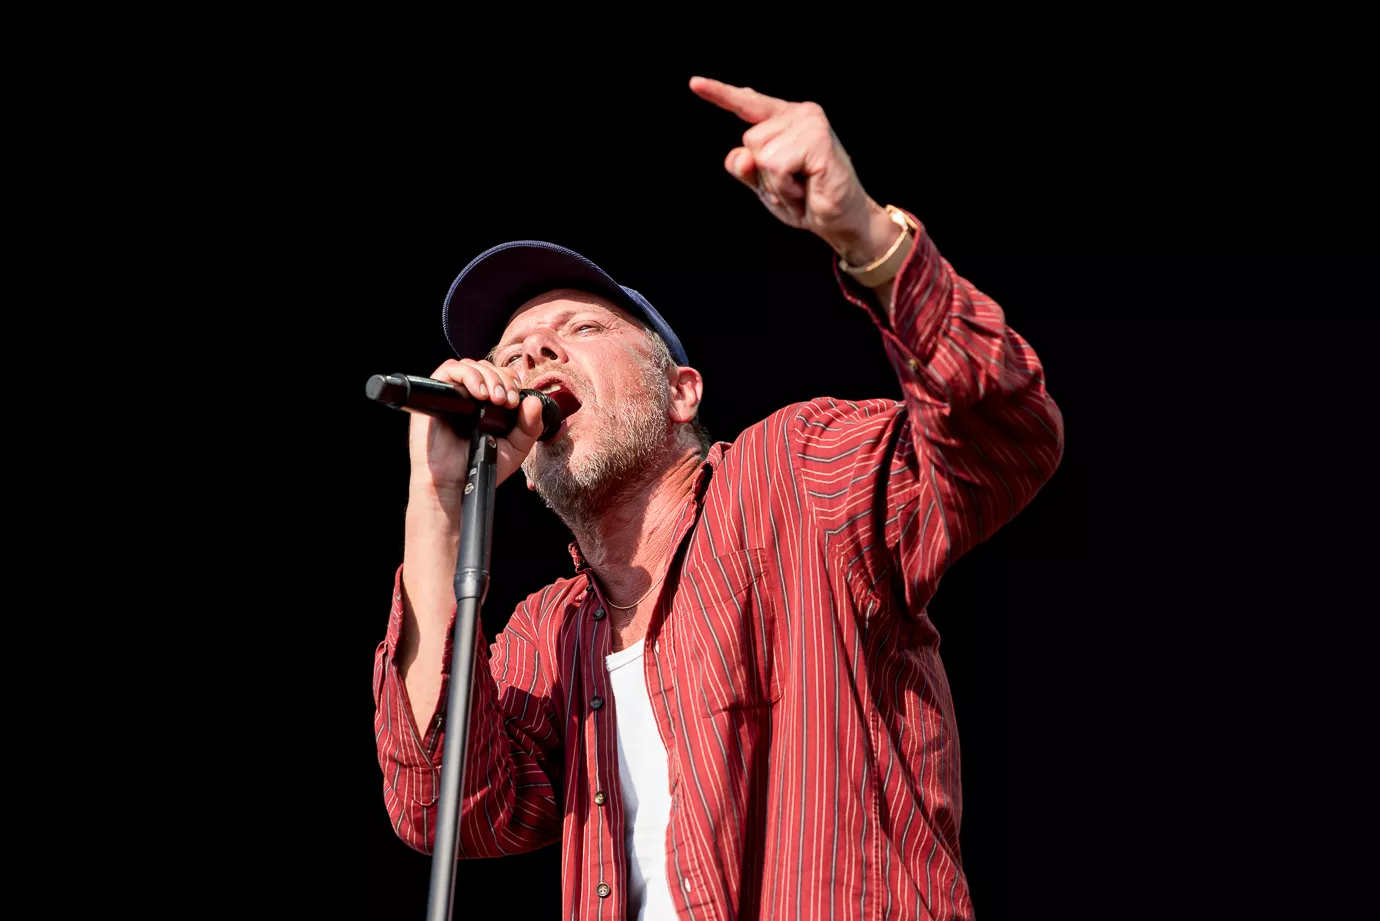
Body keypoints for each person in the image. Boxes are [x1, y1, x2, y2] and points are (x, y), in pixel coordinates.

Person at [373, 76, 1063, 921]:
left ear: (681, 393)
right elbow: (446, 805)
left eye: (579, 329)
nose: (531, 355)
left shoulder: (792, 477)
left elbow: (1003, 437)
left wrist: (866, 234)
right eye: (511, 353)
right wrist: (437, 497)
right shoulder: (549, 632)